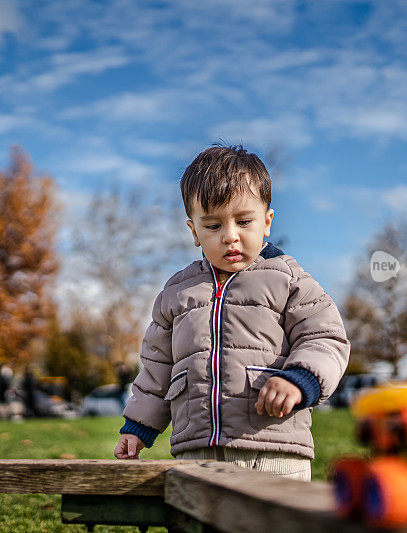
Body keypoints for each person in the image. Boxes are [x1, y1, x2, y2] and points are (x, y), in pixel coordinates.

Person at [113, 145, 350, 481]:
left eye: (244, 221)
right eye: (212, 225)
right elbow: (156, 369)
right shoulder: (177, 293)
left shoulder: (287, 279)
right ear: (194, 231)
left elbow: (325, 337)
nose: (230, 236)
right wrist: (138, 426)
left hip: (272, 447)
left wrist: (300, 380)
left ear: (267, 222)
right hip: (196, 453)